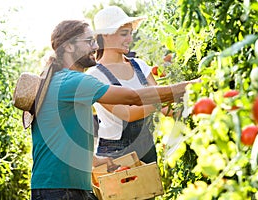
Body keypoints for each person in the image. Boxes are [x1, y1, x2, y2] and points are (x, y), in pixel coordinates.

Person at [30, 19, 196, 200]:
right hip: (58, 190)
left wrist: (94, 160)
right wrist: (192, 86)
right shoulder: (73, 81)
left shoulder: (61, 80)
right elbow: (132, 97)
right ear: (69, 47)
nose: (95, 46)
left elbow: (63, 136)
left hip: (65, 187)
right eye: (88, 41)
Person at [86, 6, 173, 164]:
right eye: (124, 34)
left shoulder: (140, 65)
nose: (130, 39)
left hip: (146, 146)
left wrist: (189, 107)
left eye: (130, 34)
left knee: (152, 189)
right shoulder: (95, 76)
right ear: (105, 36)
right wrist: (162, 101)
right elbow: (128, 113)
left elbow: (163, 101)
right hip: (114, 154)